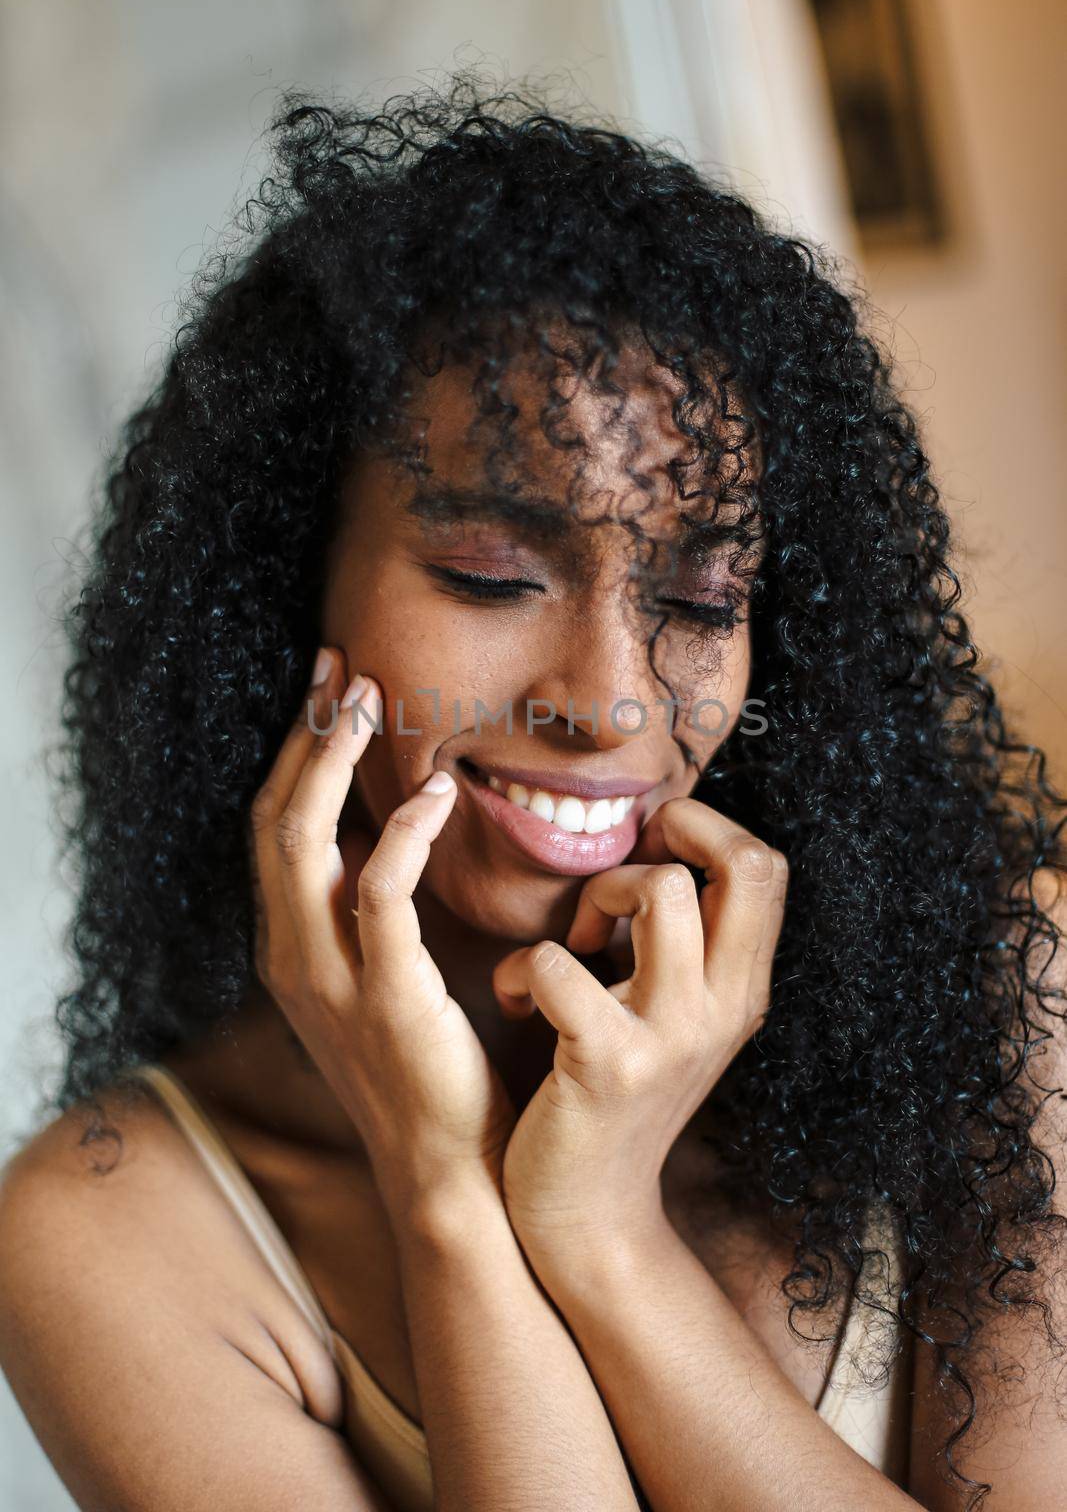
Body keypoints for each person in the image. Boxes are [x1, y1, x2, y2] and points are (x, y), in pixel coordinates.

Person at [1, 76, 1065, 1512]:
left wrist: (604, 1238)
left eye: (700, 597)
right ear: (277, 596)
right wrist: (447, 1191)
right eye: (494, 578)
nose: (613, 700)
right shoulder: (115, 1232)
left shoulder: (1009, 1006)